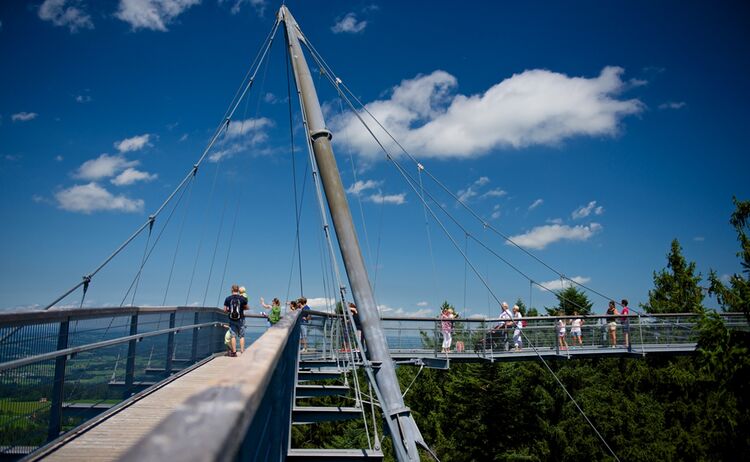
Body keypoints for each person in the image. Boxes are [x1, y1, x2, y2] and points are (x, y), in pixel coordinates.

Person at [223, 284, 248, 356]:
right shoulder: (242, 298)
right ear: (238, 290)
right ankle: (242, 351)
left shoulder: (228, 298)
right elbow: (246, 307)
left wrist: (229, 310)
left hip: (232, 319)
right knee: (241, 336)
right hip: (241, 319)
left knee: (233, 336)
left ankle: (234, 352)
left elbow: (225, 309)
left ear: (232, 290)